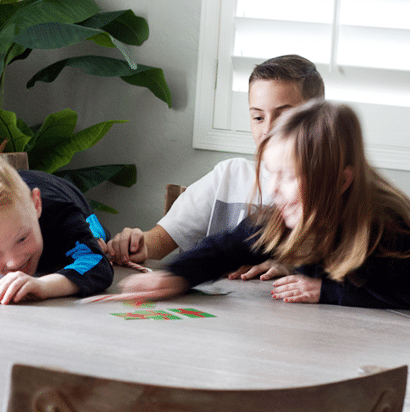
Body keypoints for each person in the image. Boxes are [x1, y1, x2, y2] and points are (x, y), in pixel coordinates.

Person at [120, 100, 410, 309]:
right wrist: (176, 276)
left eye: (287, 176)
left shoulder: (390, 229)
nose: (272, 189)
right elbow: (226, 248)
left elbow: (401, 293)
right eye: (272, 174)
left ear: (339, 182)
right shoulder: (284, 218)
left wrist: (329, 291)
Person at [106, 54, 324, 280]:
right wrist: (135, 244)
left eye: (285, 116)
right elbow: (160, 240)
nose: (268, 129)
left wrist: (295, 268)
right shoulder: (228, 176)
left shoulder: (335, 191)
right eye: (258, 117)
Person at [0, 154, 113, 305]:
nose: (14, 262)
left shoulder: (60, 214)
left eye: (22, 239)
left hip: (62, 194)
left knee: (99, 237)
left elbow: (97, 262)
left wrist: (44, 286)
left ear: (36, 205)